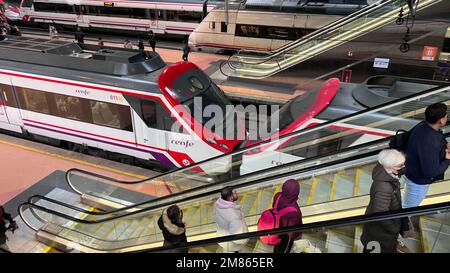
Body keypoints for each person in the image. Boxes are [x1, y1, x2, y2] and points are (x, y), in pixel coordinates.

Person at [361, 149, 412, 253]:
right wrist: (394, 229)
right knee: (378, 249)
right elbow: (380, 213)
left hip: (381, 229)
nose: (403, 167)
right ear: (390, 167)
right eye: (400, 165)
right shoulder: (383, 188)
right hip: (380, 232)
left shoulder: (385, 172)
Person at [403, 102, 450, 208]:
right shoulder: (430, 140)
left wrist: (445, 145)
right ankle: (401, 222)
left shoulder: (423, 126)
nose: (447, 117)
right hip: (417, 182)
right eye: (446, 116)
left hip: (411, 172)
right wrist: (447, 160)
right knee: (408, 208)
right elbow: (430, 172)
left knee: (407, 198)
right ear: (441, 120)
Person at [271, 179, 302, 253]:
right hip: (284, 235)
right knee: (283, 248)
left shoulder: (277, 196)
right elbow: (292, 234)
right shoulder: (294, 211)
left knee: (276, 244)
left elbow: (274, 206)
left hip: (275, 227)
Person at [215, 187, 249, 253]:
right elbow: (241, 240)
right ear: (231, 198)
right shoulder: (234, 216)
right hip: (232, 246)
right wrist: (246, 238)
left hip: (222, 237)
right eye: (234, 193)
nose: (237, 193)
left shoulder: (219, 204)